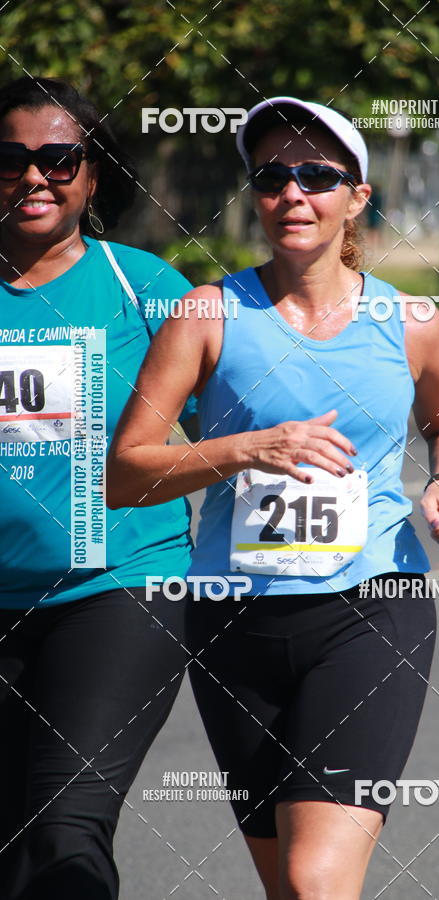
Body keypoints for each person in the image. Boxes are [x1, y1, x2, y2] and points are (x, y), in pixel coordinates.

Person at [107, 96, 439, 900]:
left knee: (316, 878)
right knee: (287, 887)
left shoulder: (409, 320)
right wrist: (249, 448)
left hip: (371, 605)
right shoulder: (207, 314)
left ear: (358, 197)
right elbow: (125, 472)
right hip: (234, 620)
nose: (292, 194)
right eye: (273, 176)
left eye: (317, 175)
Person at [0, 77, 197, 900]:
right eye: (11, 160)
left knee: (65, 829)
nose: (34, 177)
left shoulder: (142, 288)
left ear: (90, 174)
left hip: (121, 587)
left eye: (58, 159)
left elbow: (264, 407)